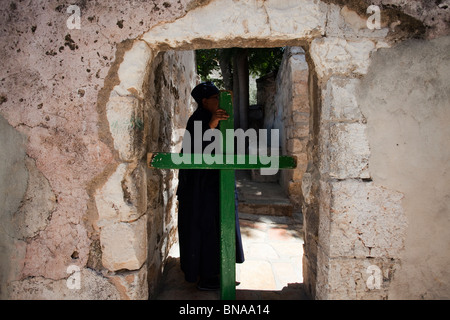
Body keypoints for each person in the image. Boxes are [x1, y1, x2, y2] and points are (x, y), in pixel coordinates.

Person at [176, 81, 245, 291]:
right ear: (205, 102)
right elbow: (194, 151)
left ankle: (219, 271)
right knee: (204, 227)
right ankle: (206, 276)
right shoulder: (197, 119)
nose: (221, 101)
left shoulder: (219, 118)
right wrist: (211, 125)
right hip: (200, 188)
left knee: (219, 224)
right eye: (216, 98)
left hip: (215, 184)